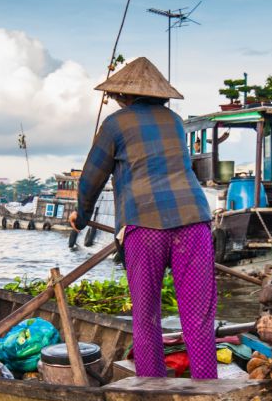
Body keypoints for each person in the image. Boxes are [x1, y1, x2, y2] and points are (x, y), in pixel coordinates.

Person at [70, 57, 217, 379]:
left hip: (145, 225)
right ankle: (207, 384)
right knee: (198, 314)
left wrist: (80, 218)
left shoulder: (115, 123)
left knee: (146, 314)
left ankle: (152, 383)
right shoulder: (175, 121)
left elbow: (92, 177)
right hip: (194, 221)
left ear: (124, 96)